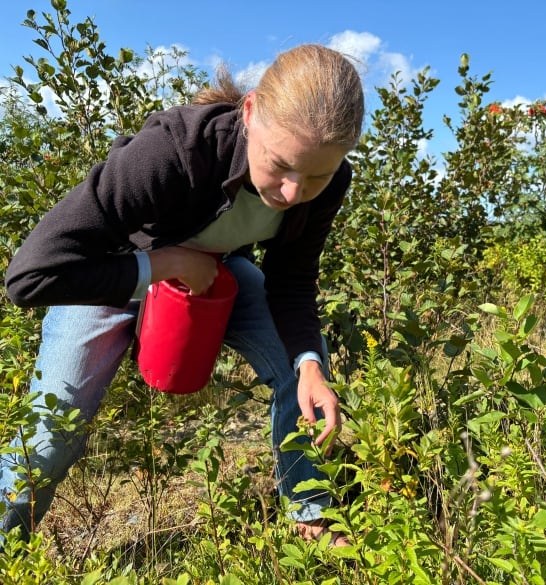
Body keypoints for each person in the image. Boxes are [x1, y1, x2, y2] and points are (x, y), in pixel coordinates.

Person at [1, 43, 364, 547]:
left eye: (316, 176)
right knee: (49, 432)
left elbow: (292, 279)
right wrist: (163, 264)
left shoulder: (329, 181)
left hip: (219, 273)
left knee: (301, 366)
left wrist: (307, 363)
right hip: (113, 271)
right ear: (251, 111)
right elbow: (30, 275)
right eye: (279, 165)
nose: (291, 193)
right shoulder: (175, 149)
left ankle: (310, 511)